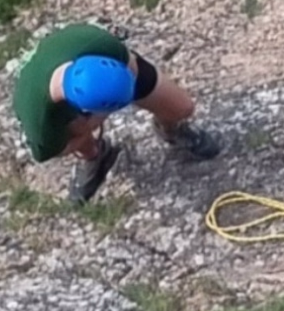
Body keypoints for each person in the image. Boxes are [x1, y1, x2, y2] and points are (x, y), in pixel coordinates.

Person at [12, 21, 219, 204]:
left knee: (182, 108)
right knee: (75, 131)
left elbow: (130, 64)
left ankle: (170, 129)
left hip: (113, 69)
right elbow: (56, 150)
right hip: (65, 115)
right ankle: (94, 156)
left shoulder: (100, 44)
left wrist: (123, 94)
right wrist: (86, 128)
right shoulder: (40, 122)